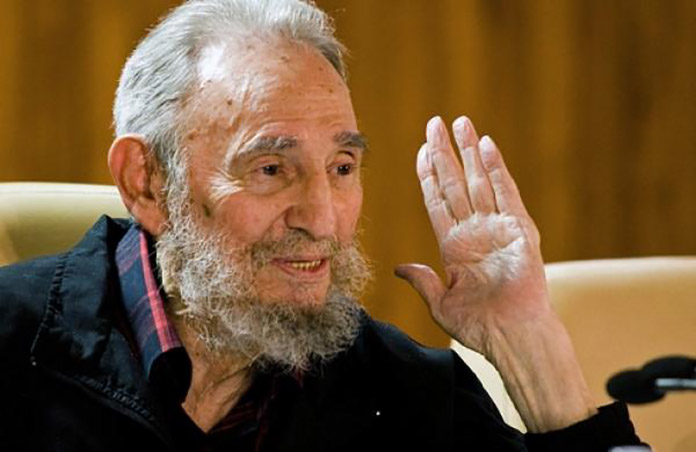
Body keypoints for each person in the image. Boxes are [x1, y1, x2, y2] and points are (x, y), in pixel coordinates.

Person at [0, 0, 648, 450]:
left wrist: (531, 348)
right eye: (270, 169)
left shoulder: (404, 390)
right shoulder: (11, 344)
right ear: (147, 181)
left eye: (342, 168)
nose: (323, 220)